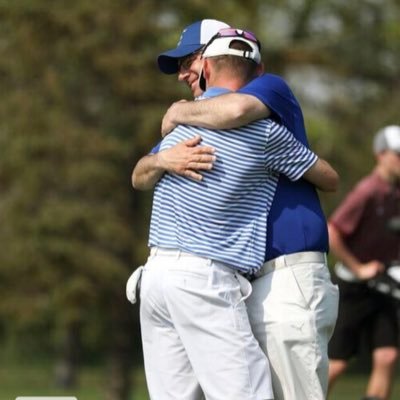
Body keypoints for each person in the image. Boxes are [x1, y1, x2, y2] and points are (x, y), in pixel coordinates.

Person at [133, 19, 339, 400]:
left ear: (208, 66)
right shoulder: (260, 133)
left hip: (174, 278)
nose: (182, 75)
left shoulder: (264, 92)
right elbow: (329, 178)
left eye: (188, 61)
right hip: (208, 277)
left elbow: (233, 110)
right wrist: (164, 160)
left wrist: (176, 114)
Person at [327, 125, 400, 400]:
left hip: (384, 284)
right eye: (398, 154)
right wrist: (359, 268)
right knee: (337, 363)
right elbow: (332, 232)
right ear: (380, 155)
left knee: (387, 356)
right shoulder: (367, 191)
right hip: (353, 286)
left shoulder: (397, 192)